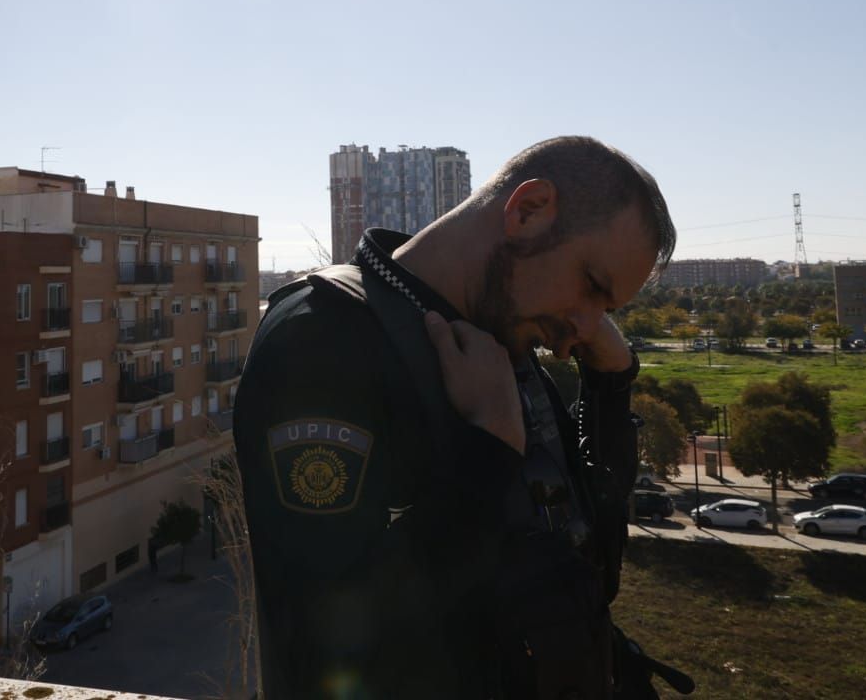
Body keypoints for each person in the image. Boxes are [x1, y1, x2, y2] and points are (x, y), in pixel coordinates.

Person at [234, 136, 678, 699]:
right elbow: (325, 636)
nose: (585, 330)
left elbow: (589, 566)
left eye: (607, 310)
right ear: (528, 210)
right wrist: (487, 456)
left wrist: (610, 387)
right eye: (591, 286)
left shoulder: (497, 340)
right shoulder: (324, 339)